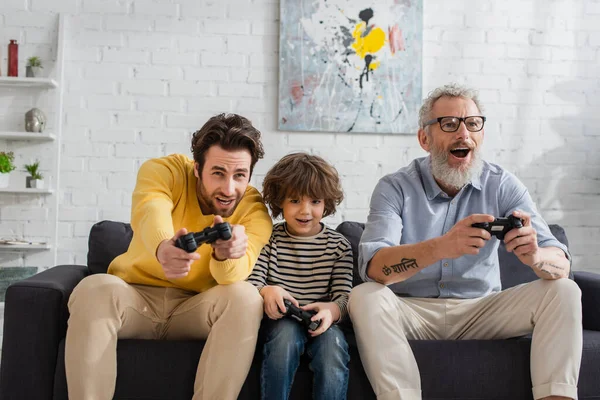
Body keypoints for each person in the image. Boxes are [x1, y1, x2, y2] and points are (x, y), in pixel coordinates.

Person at [348, 83, 582, 400]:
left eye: (472, 123)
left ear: (481, 134)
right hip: (412, 312)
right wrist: (441, 247)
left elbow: (562, 263)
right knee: (365, 296)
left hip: (482, 311)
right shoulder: (395, 187)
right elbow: (374, 268)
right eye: (449, 124)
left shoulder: (502, 184)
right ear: (424, 139)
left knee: (564, 289)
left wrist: (537, 257)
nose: (463, 134)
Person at [65, 113, 273, 400]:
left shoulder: (255, 210)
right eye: (218, 173)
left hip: (195, 309)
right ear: (197, 168)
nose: (228, 189)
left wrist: (227, 256)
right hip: (134, 300)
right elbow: (150, 209)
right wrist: (163, 246)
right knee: (94, 288)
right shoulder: (165, 171)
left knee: (247, 297)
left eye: (240, 175)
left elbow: (232, 275)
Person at [247, 152, 353, 400]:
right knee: (285, 339)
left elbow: (345, 298)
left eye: (315, 201)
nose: (305, 211)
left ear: (326, 203)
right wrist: (266, 291)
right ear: (279, 201)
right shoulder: (268, 238)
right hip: (280, 323)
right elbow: (252, 282)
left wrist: (331, 311)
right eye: (295, 200)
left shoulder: (339, 246)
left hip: (322, 323)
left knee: (333, 350)